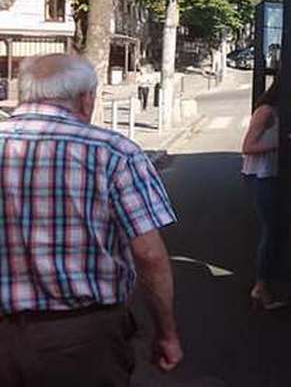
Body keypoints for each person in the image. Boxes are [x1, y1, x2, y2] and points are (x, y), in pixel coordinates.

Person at [0, 54, 182, 386]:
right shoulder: (114, 153)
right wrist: (166, 333)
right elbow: (149, 256)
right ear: (86, 98)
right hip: (82, 339)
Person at [241, 78, 288, 310]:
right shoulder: (266, 111)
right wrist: (280, 146)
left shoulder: (277, 112)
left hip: (271, 175)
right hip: (261, 177)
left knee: (276, 229)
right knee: (270, 231)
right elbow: (247, 146)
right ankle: (260, 285)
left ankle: (268, 282)